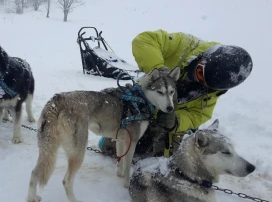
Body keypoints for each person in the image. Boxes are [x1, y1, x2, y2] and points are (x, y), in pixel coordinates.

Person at [98, 29, 253, 158]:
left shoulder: (213, 93)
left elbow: (198, 115)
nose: (199, 81)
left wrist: (176, 122)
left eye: (207, 85)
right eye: (200, 72)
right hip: (144, 104)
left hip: (168, 122)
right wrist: (159, 71)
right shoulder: (186, 45)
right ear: (204, 57)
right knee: (112, 149)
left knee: (170, 161)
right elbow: (144, 40)